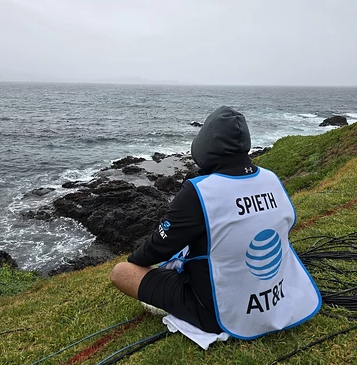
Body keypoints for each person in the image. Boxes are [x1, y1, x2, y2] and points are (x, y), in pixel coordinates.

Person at [110, 106, 322, 339]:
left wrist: (136, 262)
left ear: (205, 147)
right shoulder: (270, 178)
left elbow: (155, 250)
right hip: (276, 296)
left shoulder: (199, 191)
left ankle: (171, 309)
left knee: (121, 272)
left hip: (218, 312)